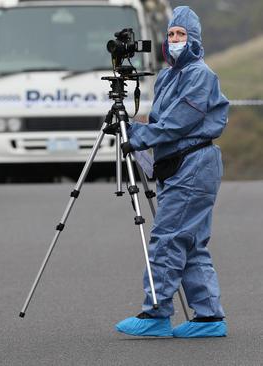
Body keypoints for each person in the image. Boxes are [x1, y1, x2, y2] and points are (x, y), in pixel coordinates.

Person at [115, 6, 229, 338]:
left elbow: (178, 124)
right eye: (171, 35)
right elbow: (160, 123)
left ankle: (156, 313)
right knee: (190, 242)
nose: (175, 40)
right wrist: (134, 129)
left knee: (167, 239)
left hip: (194, 164)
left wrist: (136, 137)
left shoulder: (200, 75)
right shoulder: (168, 76)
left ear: (194, 40)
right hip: (178, 165)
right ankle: (209, 318)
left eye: (181, 35)